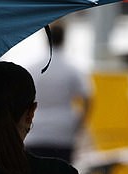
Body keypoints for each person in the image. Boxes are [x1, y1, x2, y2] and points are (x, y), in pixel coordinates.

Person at [25, 23, 91, 163]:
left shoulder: (32, 68)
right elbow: (87, 98)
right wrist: (79, 124)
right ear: (65, 39)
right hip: (63, 133)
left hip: (35, 132)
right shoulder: (73, 69)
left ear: (46, 39)